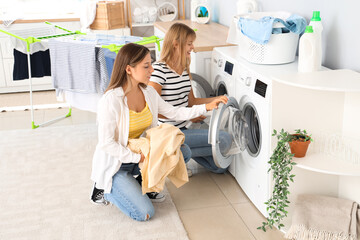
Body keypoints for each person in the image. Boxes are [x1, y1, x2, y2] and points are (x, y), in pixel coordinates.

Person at [90, 43, 227, 221]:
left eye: (151, 64)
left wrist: (206, 107)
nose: (152, 70)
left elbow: (175, 112)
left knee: (182, 151)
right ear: (129, 69)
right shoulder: (111, 100)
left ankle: (141, 180)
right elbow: (106, 143)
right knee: (145, 213)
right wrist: (137, 158)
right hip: (117, 164)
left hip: (143, 155)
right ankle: (103, 188)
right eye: (146, 66)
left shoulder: (148, 93)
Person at [149, 23, 232, 174]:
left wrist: (218, 99)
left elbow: (192, 102)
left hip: (185, 127)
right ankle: (167, 154)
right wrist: (190, 113)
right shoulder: (159, 71)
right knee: (224, 139)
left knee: (220, 167)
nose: (193, 47)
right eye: (189, 44)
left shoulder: (184, 70)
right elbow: (152, 110)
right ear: (175, 45)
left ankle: (178, 155)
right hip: (168, 132)